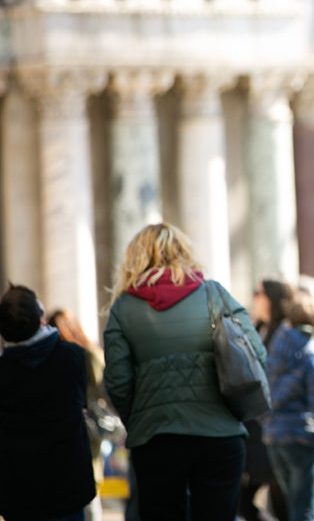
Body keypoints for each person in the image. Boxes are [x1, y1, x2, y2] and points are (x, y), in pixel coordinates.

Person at [103, 222, 264, 521]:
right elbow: (257, 354)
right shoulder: (214, 294)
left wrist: (139, 420)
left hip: (156, 438)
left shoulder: (123, 308)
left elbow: (117, 381)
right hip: (221, 434)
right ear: (183, 252)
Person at [0, 284, 96, 521]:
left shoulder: (3, 372)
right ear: (40, 317)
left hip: (20, 495)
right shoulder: (72, 356)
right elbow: (81, 402)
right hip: (68, 488)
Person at [265, 283, 314, 521]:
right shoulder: (311, 351)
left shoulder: (275, 346)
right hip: (303, 438)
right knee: (307, 511)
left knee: (294, 506)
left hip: (274, 437)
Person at [48, 308, 111, 521]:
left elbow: (103, 388)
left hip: (87, 426)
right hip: (76, 428)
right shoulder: (81, 353)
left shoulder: (85, 354)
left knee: (88, 484)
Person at [240, 277, 292, 521]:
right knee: (243, 499)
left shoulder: (285, 333)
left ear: (272, 298)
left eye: (258, 293)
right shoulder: (257, 330)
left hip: (276, 426)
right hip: (256, 428)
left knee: (282, 499)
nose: (254, 298)